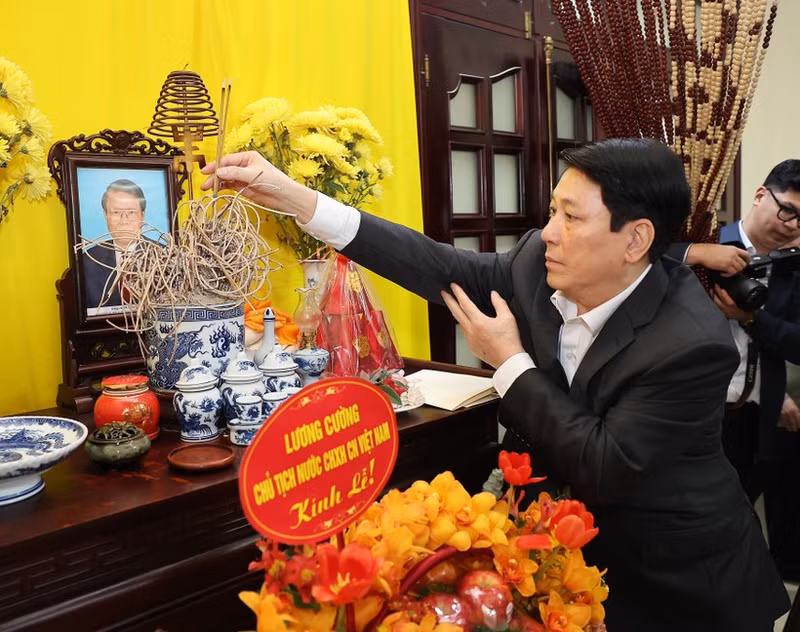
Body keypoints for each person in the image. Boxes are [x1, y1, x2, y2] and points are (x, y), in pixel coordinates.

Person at [201, 139, 789, 631]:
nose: (549, 232)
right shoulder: (538, 260)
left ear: (635, 240)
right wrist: (297, 200)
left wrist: (508, 362)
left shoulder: (693, 342)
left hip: (677, 581)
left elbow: (605, 463)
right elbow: (437, 267)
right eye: (553, 210)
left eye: (571, 216)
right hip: (571, 557)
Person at [668, 160, 800, 582]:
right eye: (789, 211)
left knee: (742, 529)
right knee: (693, 533)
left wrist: (750, 320)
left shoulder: (793, 263)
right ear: (761, 195)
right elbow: (640, 258)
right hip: (693, 417)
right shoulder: (705, 240)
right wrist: (697, 253)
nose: (793, 225)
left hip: (755, 418)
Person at [82, 179, 147, 313]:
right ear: (105, 216)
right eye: (116, 213)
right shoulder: (87, 261)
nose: (124, 220)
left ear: (142, 215)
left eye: (131, 212)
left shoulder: (166, 256)